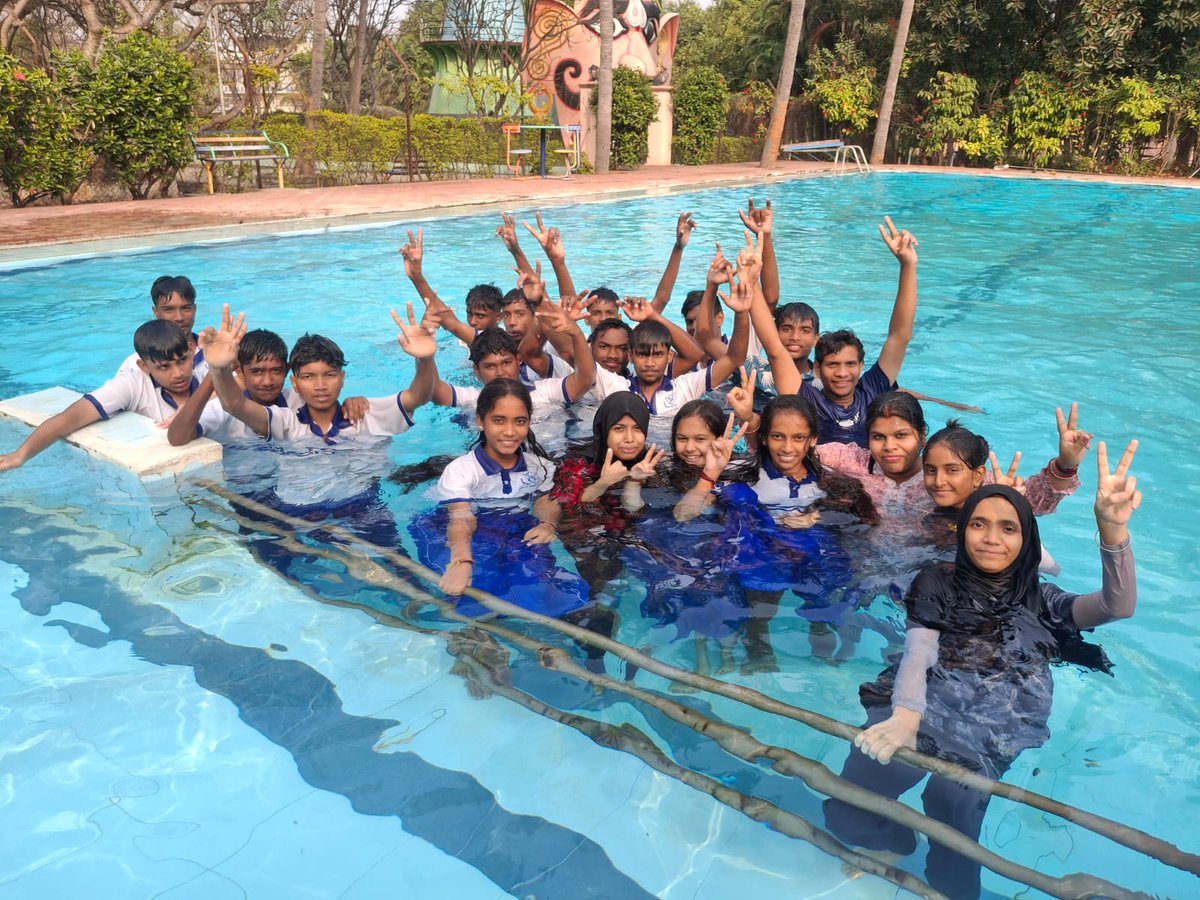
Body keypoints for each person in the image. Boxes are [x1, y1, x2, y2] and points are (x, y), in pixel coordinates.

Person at [825, 441, 1142, 899]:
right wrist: (907, 717)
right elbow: (919, 648)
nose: (992, 538)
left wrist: (1113, 533)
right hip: (921, 704)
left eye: (1008, 528)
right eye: (979, 524)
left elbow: (1116, 607)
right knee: (846, 810)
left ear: (1026, 540)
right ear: (964, 531)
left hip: (994, 722)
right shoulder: (937, 580)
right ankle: (896, 843)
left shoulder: (1043, 599)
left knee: (951, 817)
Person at [414, 378, 590, 620]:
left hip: (513, 528)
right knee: (474, 588)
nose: (510, 431)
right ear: (480, 421)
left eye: (520, 421)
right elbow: (461, 518)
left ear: (529, 422)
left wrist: (547, 523)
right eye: (498, 420)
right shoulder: (461, 470)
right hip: (456, 530)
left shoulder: (541, 467)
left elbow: (546, 500)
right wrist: (461, 560)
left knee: (545, 587)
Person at [204, 304, 437, 445]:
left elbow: (419, 396)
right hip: (299, 510)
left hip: (367, 508)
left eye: (330, 375)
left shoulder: (366, 413)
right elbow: (234, 404)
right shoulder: (286, 422)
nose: (320, 385)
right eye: (308, 377)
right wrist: (219, 368)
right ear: (294, 383)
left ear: (342, 378)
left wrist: (426, 359)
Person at [0, 320, 200, 472]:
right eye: (164, 367)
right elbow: (72, 418)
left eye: (182, 361)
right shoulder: (131, 385)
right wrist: (20, 455)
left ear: (192, 351)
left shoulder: (208, 373)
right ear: (143, 366)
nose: (178, 373)